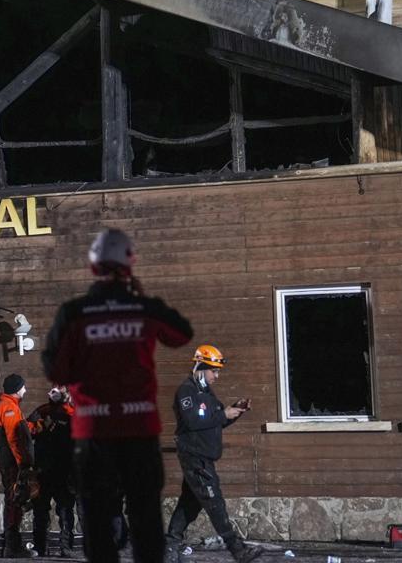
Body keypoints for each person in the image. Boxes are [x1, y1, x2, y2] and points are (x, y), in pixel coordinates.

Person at [42, 228, 194, 563]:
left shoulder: (74, 313)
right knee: (145, 518)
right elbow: (182, 334)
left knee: (97, 522)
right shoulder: (144, 308)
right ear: (131, 262)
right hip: (138, 430)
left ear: (93, 266)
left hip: (95, 433)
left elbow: (55, 369)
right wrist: (139, 297)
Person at [164, 346, 261, 563]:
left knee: (189, 504)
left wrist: (235, 411)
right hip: (194, 457)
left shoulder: (207, 393)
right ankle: (238, 550)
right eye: (214, 371)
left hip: (205, 457)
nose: (216, 376)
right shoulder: (187, 391)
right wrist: (222, 414)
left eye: (218, 371)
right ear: (201, 367)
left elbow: (216, 420)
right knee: (214, 502)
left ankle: (169, 547)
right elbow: (192, 422)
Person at [27, 386, 77, 557]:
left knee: (65, 511)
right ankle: (41, 546)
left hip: (64, 470)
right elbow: (27, 431)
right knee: (41, 510)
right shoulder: (42, 411)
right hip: (44, 470)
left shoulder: (72, 413)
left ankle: (65, 546)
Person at [0, 374, 37, 558]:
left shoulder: (9, 406)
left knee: (16, 501)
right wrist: (24, 464)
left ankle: (12, 545)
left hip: (10, 461)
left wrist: (31, 425)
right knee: (14, 500)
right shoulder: (8, 408)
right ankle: (12, 547)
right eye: (23, 387)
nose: (25, 390)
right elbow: (13, 440)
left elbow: (20, 431)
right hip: (12, 462)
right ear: (17, 389)